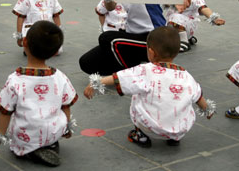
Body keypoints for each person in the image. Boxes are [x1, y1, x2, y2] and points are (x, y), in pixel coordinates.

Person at [84, 26, 215, 147]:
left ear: (151, 52)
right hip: (180, 128)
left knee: (137, 94)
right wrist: (208, 110)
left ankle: (140, 135)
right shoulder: (186, 76)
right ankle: (173, 138)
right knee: (182, 99)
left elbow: (119, 78)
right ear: (176, 53)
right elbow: (199, 98)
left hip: (151, 127)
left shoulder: (145, 70)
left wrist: (97, 82)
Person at [0, 21, 77, 167]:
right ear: (55, 52)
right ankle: (50, 144)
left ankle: (29, 150)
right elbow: (66, 106)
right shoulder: (60, 77)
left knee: (19, 129)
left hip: (27, 134)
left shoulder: (15, 80)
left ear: (24, 42)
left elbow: (5, 111)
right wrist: (67, 127)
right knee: (55, 119)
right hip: (54, 130)